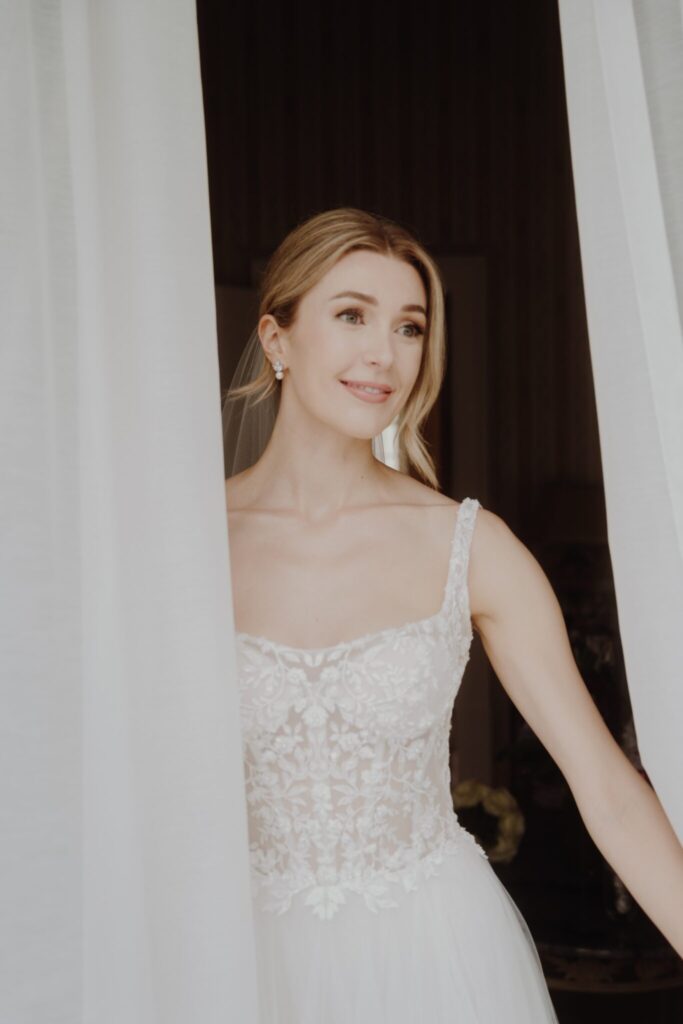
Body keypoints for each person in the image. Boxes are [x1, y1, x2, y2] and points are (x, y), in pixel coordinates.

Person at [224, 208, 683, 1023]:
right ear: (277, 338)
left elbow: (606, 788)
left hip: (432, 963)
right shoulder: (185, 550)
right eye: (351, 315)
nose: (384, 354)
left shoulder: (473, 546)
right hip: (235, 957)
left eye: (409, 326)